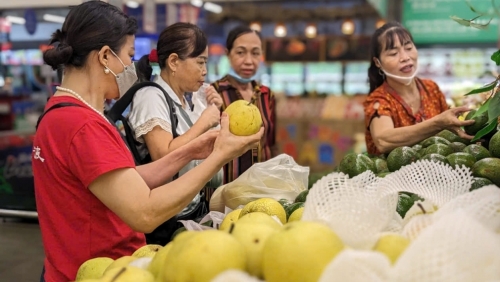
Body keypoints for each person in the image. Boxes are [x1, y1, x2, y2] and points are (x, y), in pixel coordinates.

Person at [33, 2, 262, 282]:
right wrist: (220, 156)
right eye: (129, 55)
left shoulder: (62, 112)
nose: (132, 65)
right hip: (103, 272)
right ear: (105, 56)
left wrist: (190, 150)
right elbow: (145, 212)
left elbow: (124, 181)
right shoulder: (82, 125)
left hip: (82, 267)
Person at [128, 22, 224, 220]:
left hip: (190, 209)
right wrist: (204, 122)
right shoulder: (150, 97)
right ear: (173, 62)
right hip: (165, 218)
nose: (205, 71)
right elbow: (163, 156)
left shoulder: (190, 98)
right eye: (200, 62)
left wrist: (213, 113)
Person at [364, 22, 474, 155]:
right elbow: (383, 140)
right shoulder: (378, 101)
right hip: (390, 174)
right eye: (393, 53)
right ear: (378, 63)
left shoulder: (431, 88)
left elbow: (448, 133)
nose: (405, 57)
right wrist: (438, 123)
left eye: (409, 48)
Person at [212, 25, 276, 184]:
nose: (249, 61)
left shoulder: (266, 95)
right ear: (228, 54)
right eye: (240, 52)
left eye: (255, 53)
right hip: (223, 188)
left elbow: (271, 143)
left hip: (260, 186)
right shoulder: (213, 93)